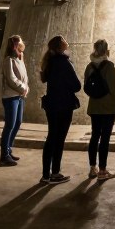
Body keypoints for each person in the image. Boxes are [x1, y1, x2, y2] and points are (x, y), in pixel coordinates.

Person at [39, 35, 81, 184]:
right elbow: (77, 86)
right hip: (64, 104)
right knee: (59, 139)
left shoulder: (49, 62)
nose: (66, 40)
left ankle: (45, 175)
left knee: (51, 137)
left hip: (51, 104)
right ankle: (55, 173)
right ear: (60, 46)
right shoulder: (64, 62)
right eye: (63, 39)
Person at [84, 38, 115, 180]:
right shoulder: (109, 66)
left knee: (94, 136)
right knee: (105, 138)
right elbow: (114, 89)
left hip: (94, 106)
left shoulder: (89, 66)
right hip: (108, 107)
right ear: (106, 50)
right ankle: (103, 171)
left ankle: (93, 168)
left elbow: (86, 86)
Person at [0, 35, 29, 166]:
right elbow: (11, 79)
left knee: (18, 122)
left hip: (20, 96)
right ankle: (4, 155)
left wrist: (26, 87)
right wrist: (22, 88)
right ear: (15, 45)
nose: (22, 44)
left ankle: (9, 150)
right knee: (9, 124)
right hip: (10, 96)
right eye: (20, 42)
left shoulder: (20, 59)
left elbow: (24, 77)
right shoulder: (8, 60)